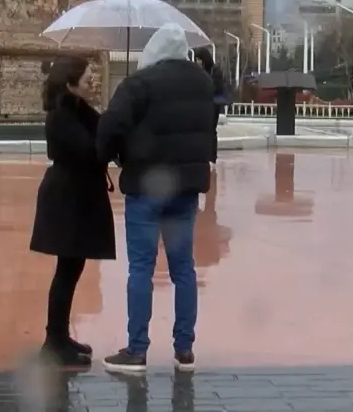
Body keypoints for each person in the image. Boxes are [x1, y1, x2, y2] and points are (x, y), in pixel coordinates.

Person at [96, 23, 218, 374]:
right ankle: (184, 350)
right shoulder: (202, 83)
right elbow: (207, 131)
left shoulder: (139, 83)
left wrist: (109, 155)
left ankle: (137, 350)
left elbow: (111, 126)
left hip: (147, 186)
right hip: (187, 187)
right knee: (184, 268)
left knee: (141, 269)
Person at [29, 55, 116, 366]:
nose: (92, 82)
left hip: (79, 196)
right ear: (70, 83)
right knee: (66, 272)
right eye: (88, 78)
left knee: (72, 269)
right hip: (67, 198)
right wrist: (106, 143)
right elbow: (92, 151)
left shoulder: (78, 110)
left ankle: (60, 336)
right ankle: (54, 342)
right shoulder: (61, 116)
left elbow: (104, 131)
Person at [192, 47, 228, 126]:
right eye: (197, 59)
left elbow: (218, 87)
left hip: (213, 104)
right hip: (202, 105)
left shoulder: (214, 70)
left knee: (211, 128)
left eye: (200, 59)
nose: (198, 62)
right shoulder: (198, 70)